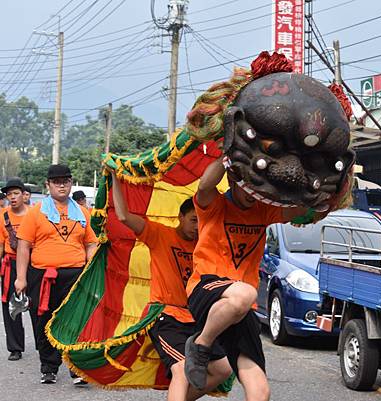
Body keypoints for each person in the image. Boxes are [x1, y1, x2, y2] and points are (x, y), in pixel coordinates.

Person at [184, 157, 310, 401]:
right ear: (232, 180)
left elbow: (302, 210)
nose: (253, 191)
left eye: (258, 185)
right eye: (247, 184)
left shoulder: (264, 211)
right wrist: (227, 153)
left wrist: (321, 184)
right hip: (207, 289)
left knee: (260, 391)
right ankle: (201, 345)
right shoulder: (214, 205)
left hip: (241, 307)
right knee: (246, 293)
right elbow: (204, 186)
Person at [109, 171, 231, 400]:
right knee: (182, 368)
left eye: (201, 221)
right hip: (166, 317)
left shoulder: (205, 245)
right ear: (180, 217)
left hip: (197, 320)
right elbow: (124, 217)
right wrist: (116, 178)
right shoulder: (158, 234)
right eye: (194, 220)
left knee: (223, 370)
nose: (198, 227)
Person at [14, 164, 98, 385]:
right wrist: (20, 278)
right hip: (42, 276)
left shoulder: (82, 212)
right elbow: (23, 246)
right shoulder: (35, 213)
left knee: (75, 321)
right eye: (57, 181)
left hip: (76, 275)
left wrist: (92, 266)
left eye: (66, 181)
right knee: (43, 320)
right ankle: (48, 367)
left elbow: (91, 243)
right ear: (48, 184)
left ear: (71, 183)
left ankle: (76, 367)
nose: (62, 185)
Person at [0, 178, 29, 361]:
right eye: (9, 194)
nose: (12, 197)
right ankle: (15, 347)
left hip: (33, 263)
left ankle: (46, 344)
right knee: (11, 306)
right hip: (10, 264)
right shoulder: (2, 216)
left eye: (16, 193)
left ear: (24, 195)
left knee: (40, 306)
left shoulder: (34, 214)